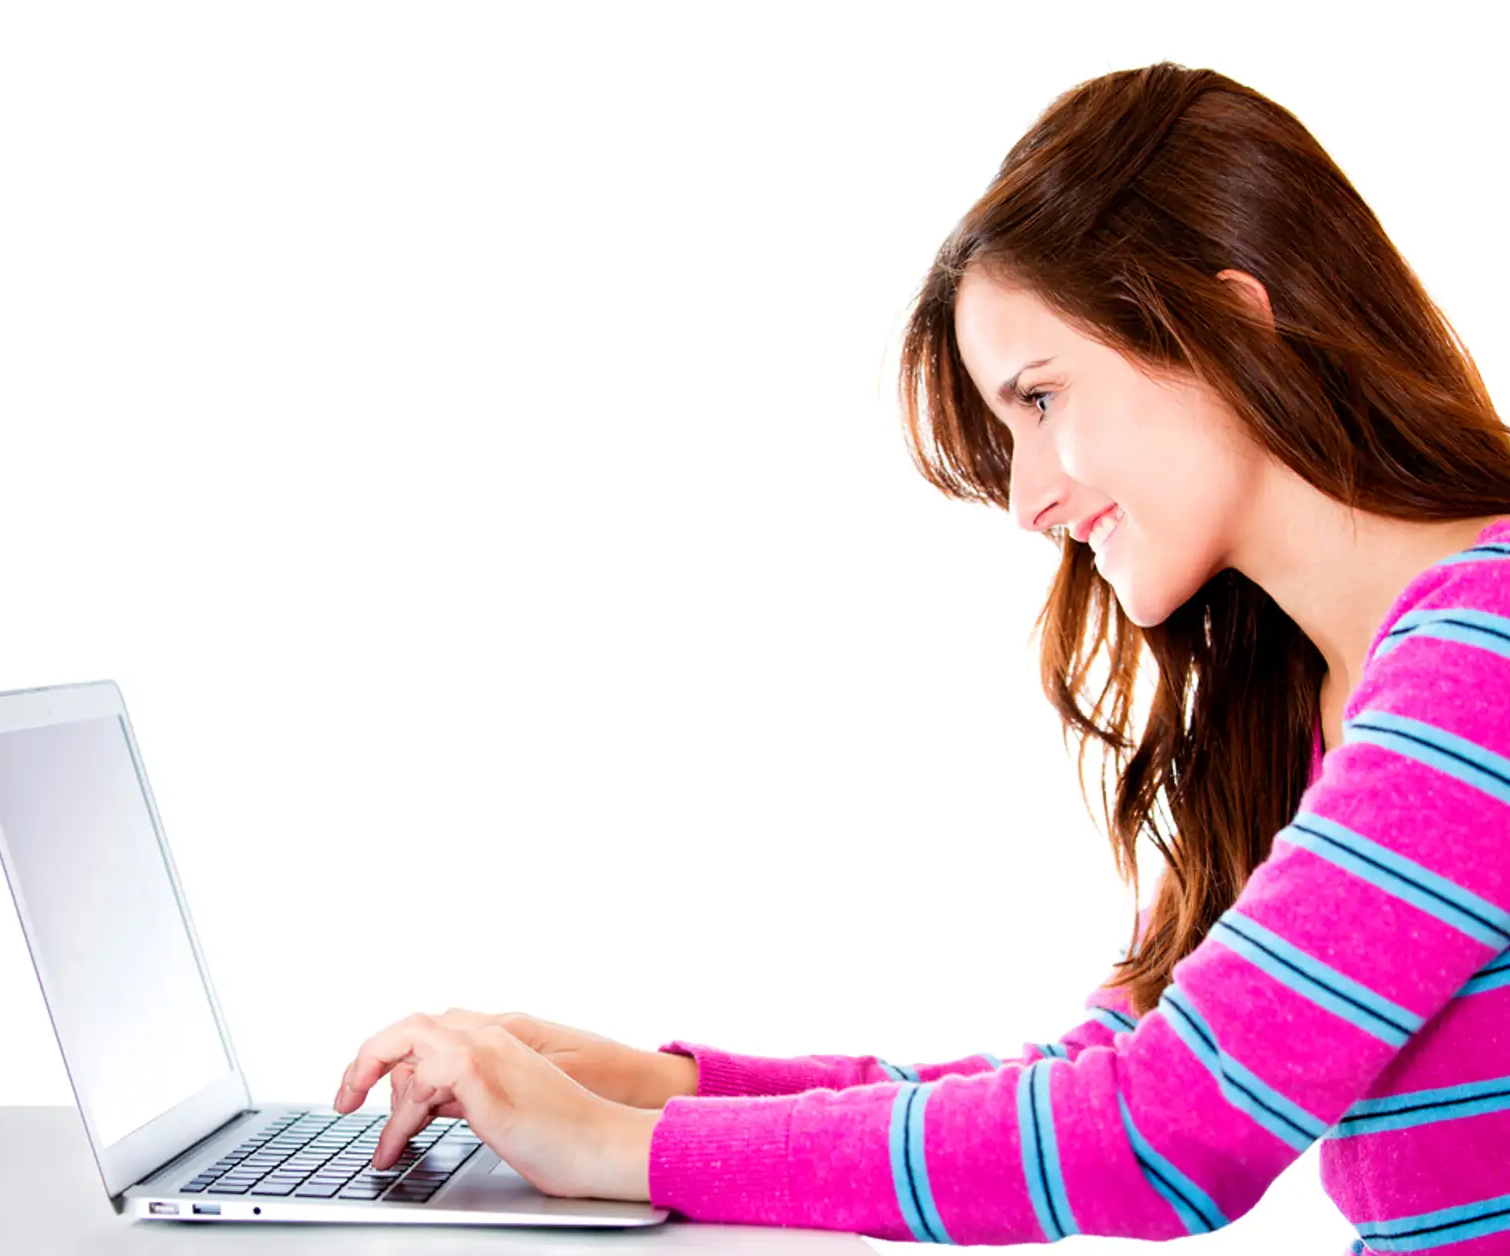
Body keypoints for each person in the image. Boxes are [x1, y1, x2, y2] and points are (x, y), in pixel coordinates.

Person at [333, 60, 1510, 1252]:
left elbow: (1159, 1132)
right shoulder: (1314, 709)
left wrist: (616, 1148)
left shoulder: (1487, 650)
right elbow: (1091, 1077)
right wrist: (658, 1090)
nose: (1028, 499)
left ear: (1233, 326)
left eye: (1040, 398)